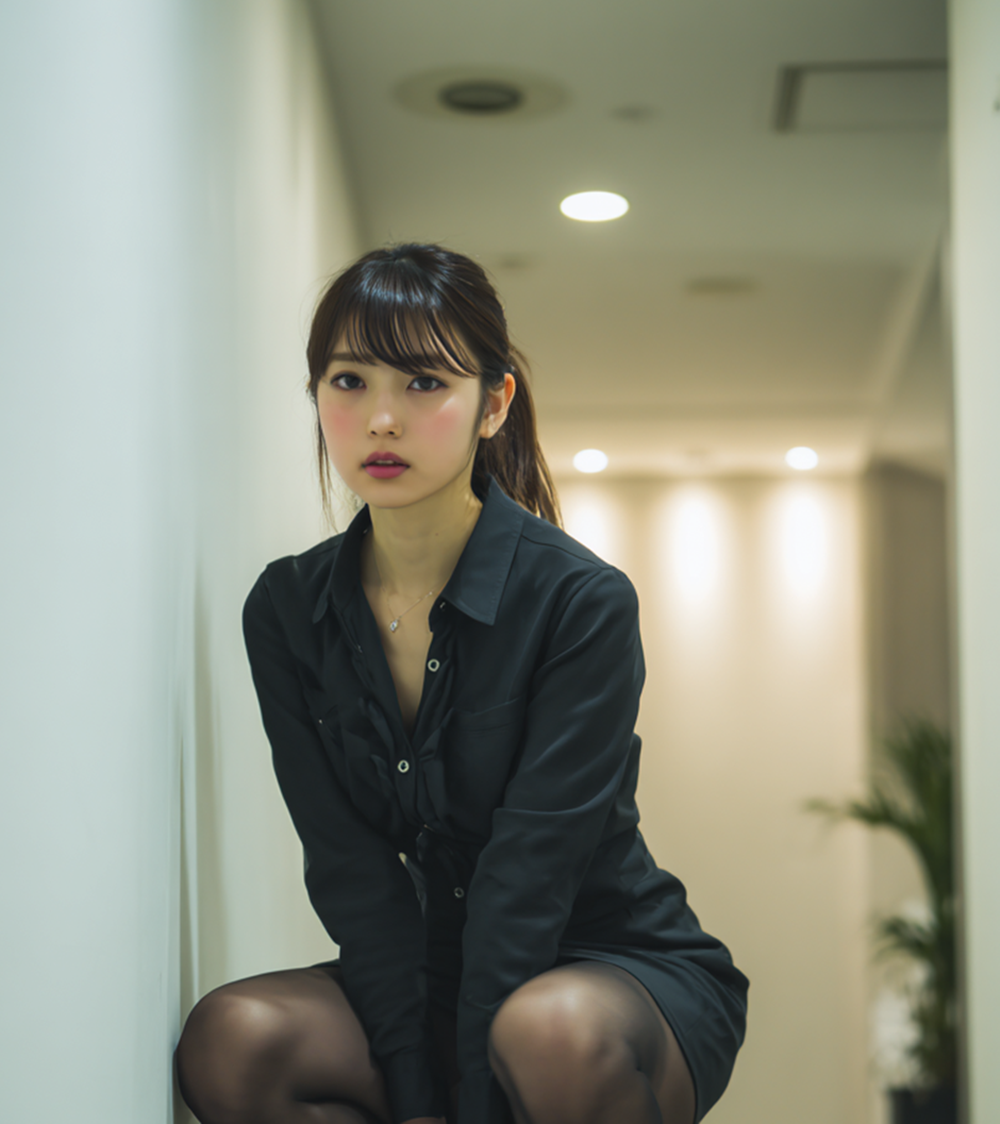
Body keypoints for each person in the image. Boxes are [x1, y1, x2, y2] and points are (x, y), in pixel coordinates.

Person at [174, 243, 748, 1124]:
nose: (381, 420)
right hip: (427, 976)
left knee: (544, 1032)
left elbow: (530, 877)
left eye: (424, 384)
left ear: (494, 404)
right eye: (349, 381)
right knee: (234, 1037)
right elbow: (350, 868)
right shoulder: (287, 609)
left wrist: (467, 1105)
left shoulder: (579, 602)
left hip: (605, 967)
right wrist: (414, 1091)